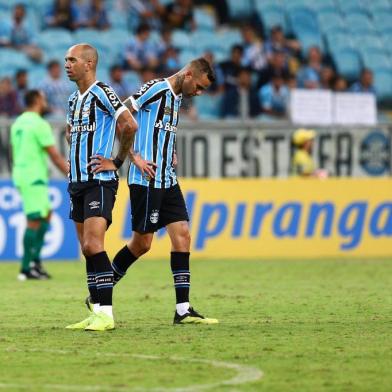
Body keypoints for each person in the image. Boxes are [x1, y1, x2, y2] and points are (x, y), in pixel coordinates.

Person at [99, 57, 219, 325]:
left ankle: (183, 309)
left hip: (168, 178)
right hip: (147, 179)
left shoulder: (176, 99)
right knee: (142, 244)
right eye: (198, 87)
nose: (198, 93)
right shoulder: (155, 89)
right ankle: (100, 289)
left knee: (183, 237)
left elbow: (162, 131)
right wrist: (133, 157)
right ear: (188, 75)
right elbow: (122, 119)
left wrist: (171, 150)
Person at [64, 44, 137, 332]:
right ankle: (96, 311)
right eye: (66, 60)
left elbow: (129, 124)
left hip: (99, 181)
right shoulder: (73, 100)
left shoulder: (102, 92)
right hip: (77, 182)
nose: (67, 64)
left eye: (73, 60)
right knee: (86, 249)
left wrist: (117, 160)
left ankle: (106, 314)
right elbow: (73, 134)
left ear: (89, 63)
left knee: (94, 244)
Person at [10, 90, 68, 280]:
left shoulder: (17, 123)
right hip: (33, 176)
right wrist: (72, 173)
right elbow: (54, 155)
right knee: (34, 219)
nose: (45, 102)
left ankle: (35, 263)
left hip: (22, 173)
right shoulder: (39, 123)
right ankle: (26, 269)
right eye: (43, 98)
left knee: (46, 214)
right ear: (36, 100)